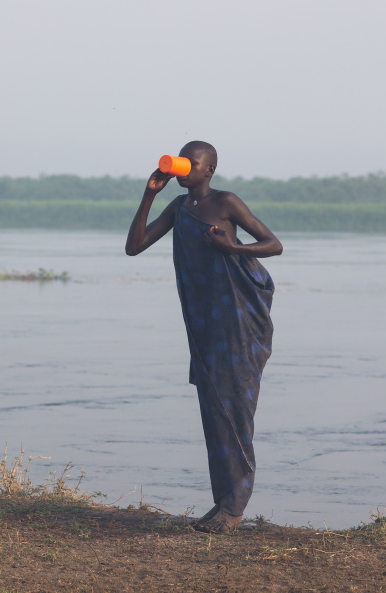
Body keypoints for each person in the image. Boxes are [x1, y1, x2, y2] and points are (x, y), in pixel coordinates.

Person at [126, 141, 283, 532]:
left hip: (238, 321)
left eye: (189, 164)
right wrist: (148, 195)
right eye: (181, 162)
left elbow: (274, 245)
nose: (182, 169)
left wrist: (233, 246)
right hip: (205, 323)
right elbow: (134, 247)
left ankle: (235, 507)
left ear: (208, 169)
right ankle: (223, 502)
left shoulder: (226, 201)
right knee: (214, 409)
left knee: (236, 409)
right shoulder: (179, 208)